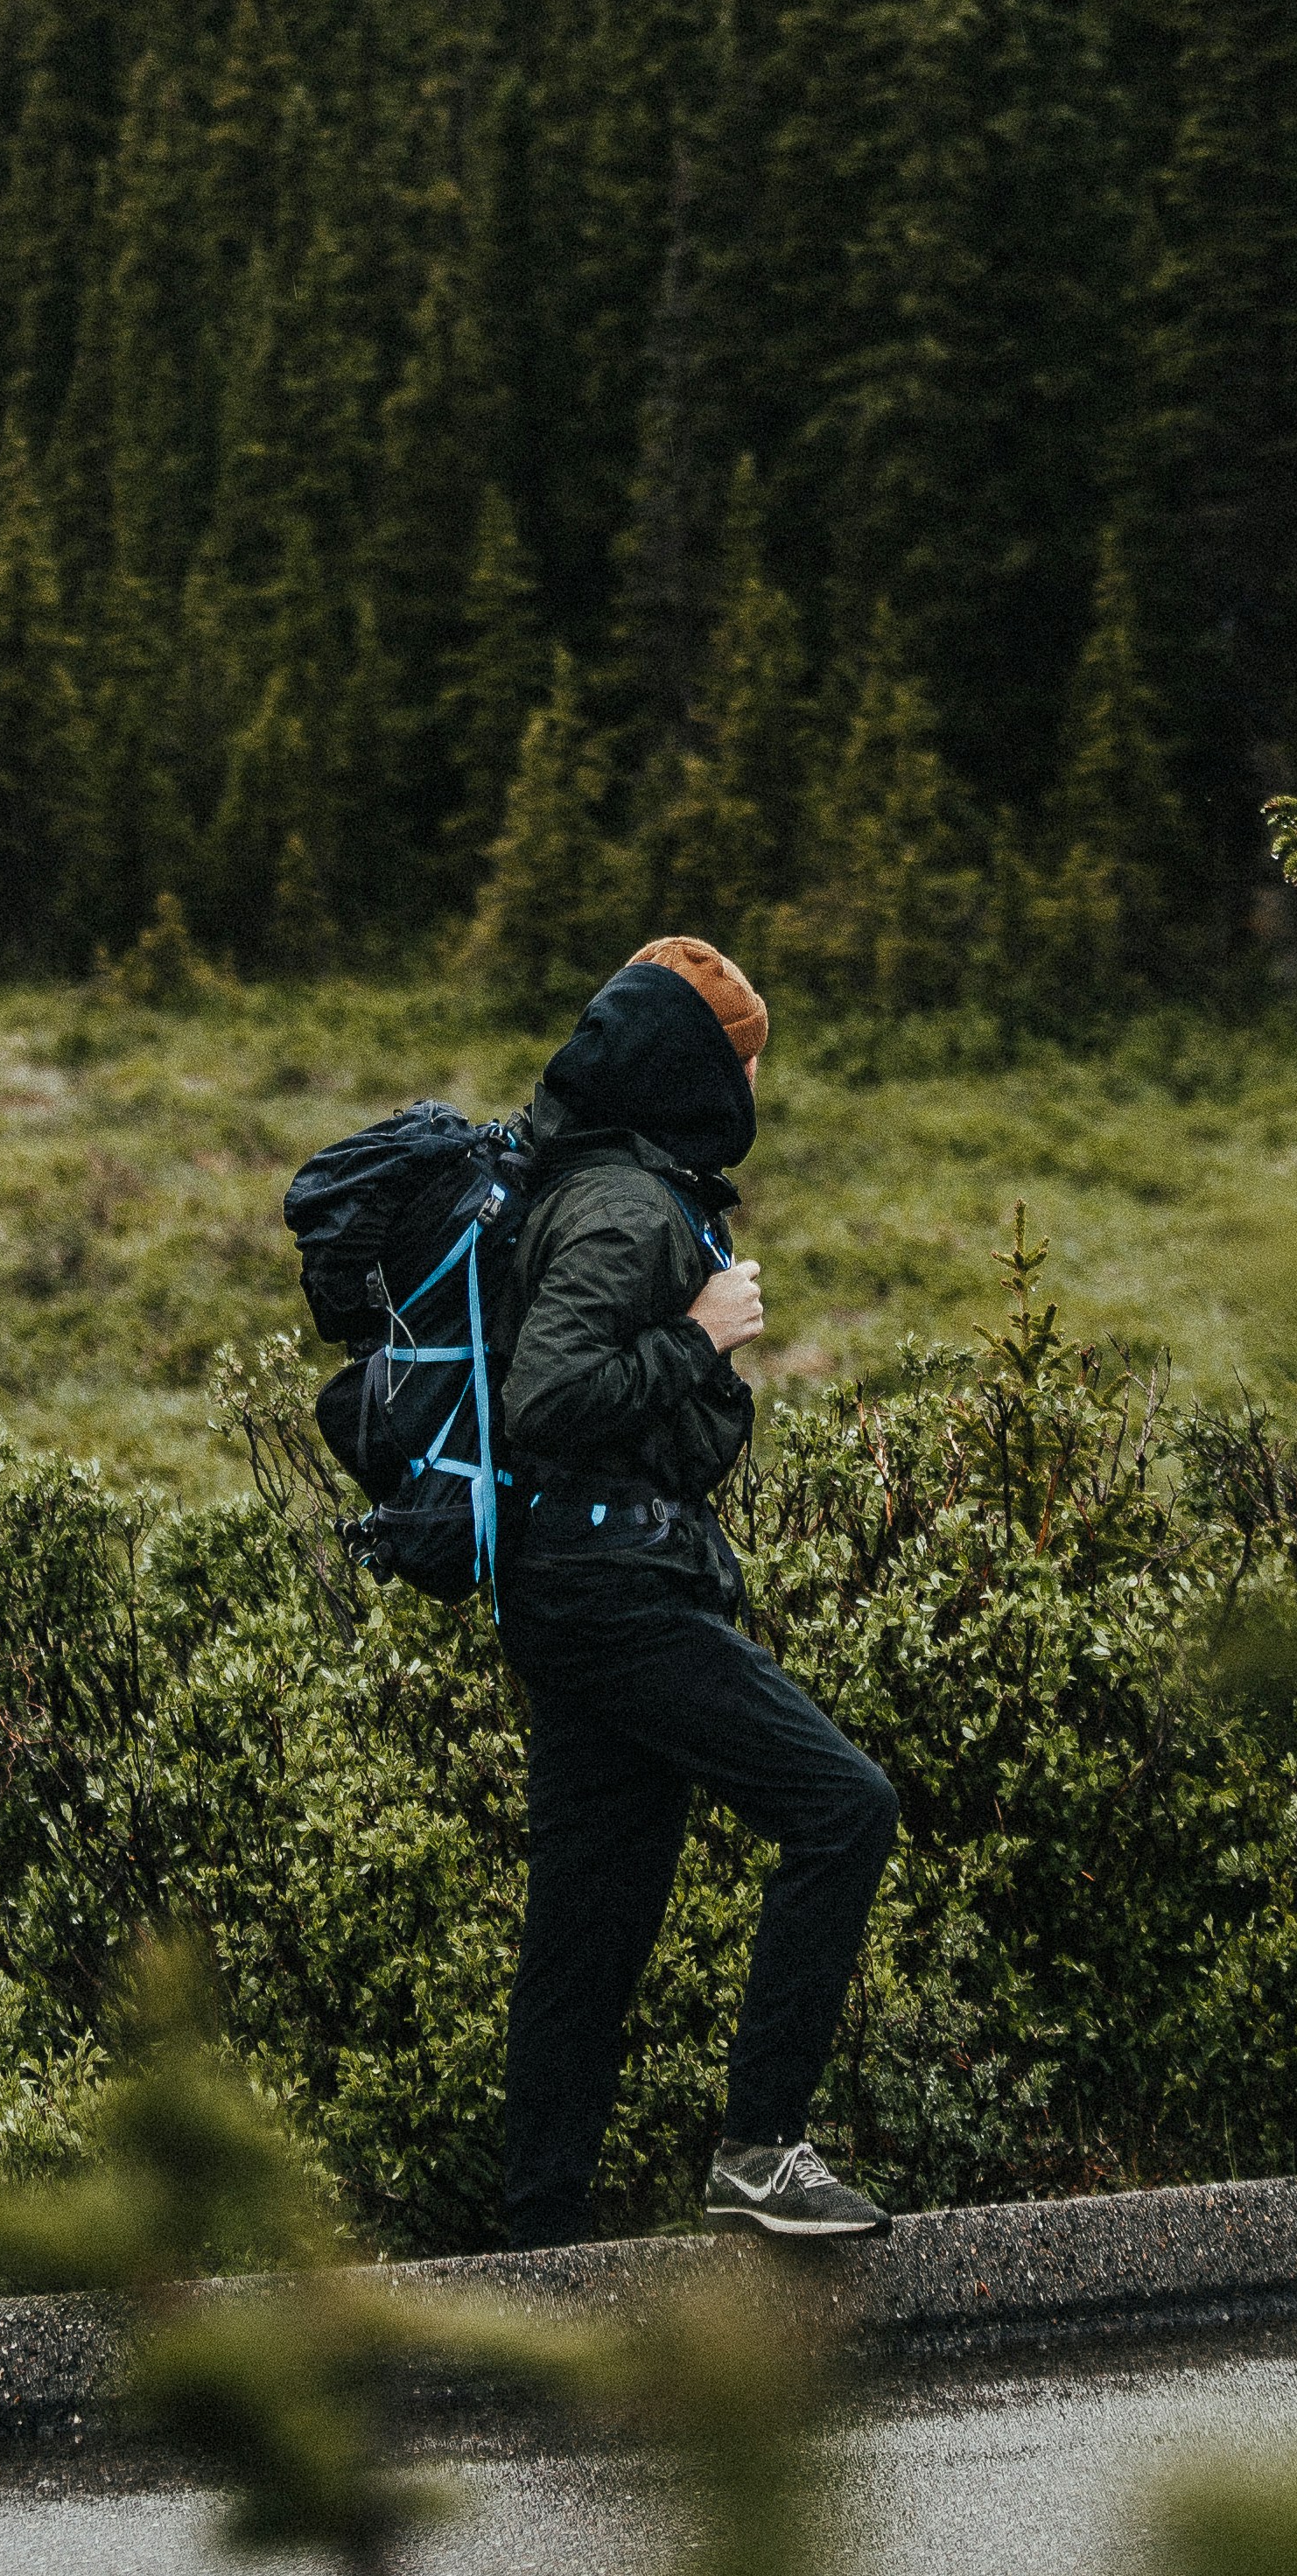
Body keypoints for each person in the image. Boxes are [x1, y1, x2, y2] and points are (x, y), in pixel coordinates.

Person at [493, 933, 900, 2244]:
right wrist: (697, 1335)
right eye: (747, 1067)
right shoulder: (623, 1205)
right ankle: (763, 2150)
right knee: (843, 1804)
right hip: (612, 1590)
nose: (756, 1097)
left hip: (573, 1580)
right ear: (697, 1072)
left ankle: (535, 2246)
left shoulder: (602, 1181)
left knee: (587, 1935)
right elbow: (544, 1398)